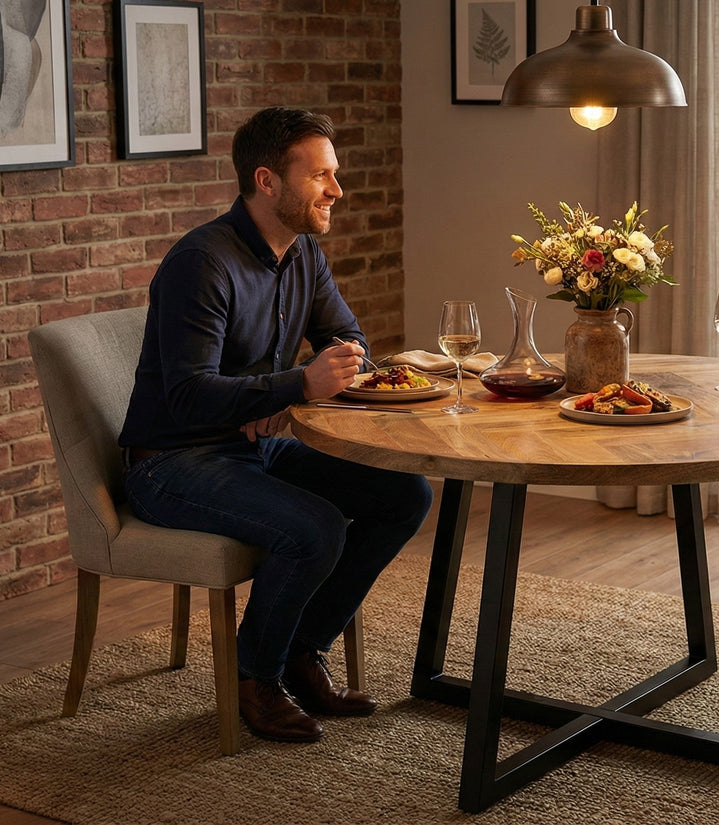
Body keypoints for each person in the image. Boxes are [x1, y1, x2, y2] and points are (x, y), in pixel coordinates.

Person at [119, 107, 433, 744]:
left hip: (252, 448)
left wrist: (290, 389)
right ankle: (254, 679)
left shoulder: (303, 252)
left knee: (404, 493)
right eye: (320, 176)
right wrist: (295, 386)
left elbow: (347, 340)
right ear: (267, 181)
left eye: (333, 174)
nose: (336, 190)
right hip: (172, 464)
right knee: (314, 527)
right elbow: (186, 397)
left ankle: (299, 652)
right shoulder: (201, 262)